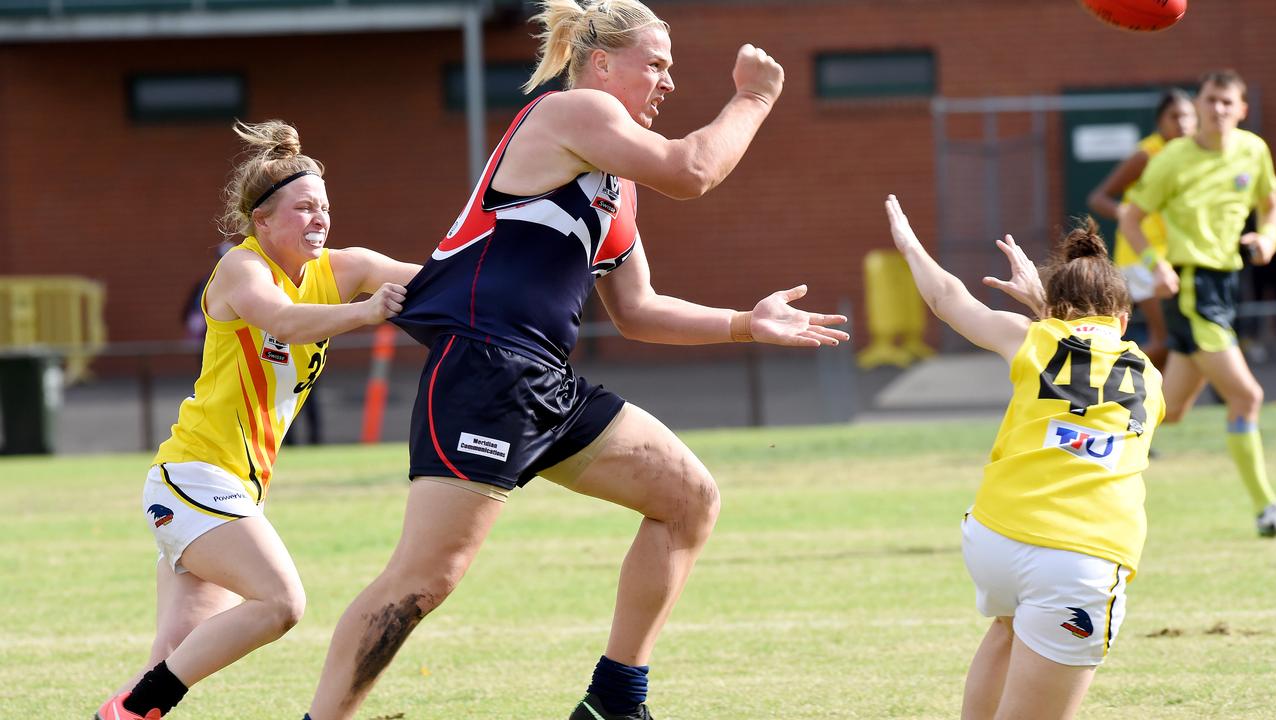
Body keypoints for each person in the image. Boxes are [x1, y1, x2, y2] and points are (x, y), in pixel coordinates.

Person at [302, 2, 849, 719]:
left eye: (671, 69)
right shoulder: (571, 113)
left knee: (688, 501)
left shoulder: (614, 183)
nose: (667, 83)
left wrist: (746, 323)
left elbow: (640, 310)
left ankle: (614, 703)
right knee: (425, 579)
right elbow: (693, 169)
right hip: (485, 368)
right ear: (600, 65)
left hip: (545, 382)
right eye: (655, 64)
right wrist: (754, 97)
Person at [95, 120, 420, 720]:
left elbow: (439, 284)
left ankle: (126, 711)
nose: (319, 219)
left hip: (234, 488)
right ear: (262, 221)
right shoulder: (242, 270)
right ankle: (133, 706)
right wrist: (370, 312)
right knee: (281, 602)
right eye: (303, 209)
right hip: (193, 478)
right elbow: (285, 321)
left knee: (171, 655)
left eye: (324, 207)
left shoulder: (344, 268)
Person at [886, 195, 1164, 720]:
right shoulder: (1149, 372)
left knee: (1009, 627)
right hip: (1079, 553)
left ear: (1055, 312)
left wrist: (910, 244)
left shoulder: (1031, 339)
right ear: (1123, 320)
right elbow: (1091, 366)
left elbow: (949, 299)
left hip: (995, 537)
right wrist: (1049, 309)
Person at [1118, 69, 1276, 536]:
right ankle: (1267, 508)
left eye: (1228, 102)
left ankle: (1095, 434)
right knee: (1248, 396)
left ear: (1242, 109)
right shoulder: (1173, 158)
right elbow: (1131, 217)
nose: (1218, 109)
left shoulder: (1254, 150)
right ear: (1200, 104)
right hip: (1191, 288)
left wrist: (1268, 237)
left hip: (1225, 284)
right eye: (1211, 100)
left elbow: (1270, 204)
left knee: (1169, 411)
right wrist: (1157, 264)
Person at [1087, 88, 1197, 370]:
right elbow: (1099, 197)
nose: (1182, 123)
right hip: (1141, 255)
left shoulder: (1193, 153)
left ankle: (1146, 401)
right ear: (1160, 121)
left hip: (1170, 254)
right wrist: (1125, 214)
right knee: (1166, 339)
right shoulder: (1147, 154)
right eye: (1174, 116)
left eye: (1188, 116)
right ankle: (1100, 378)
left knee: (1176, 340)